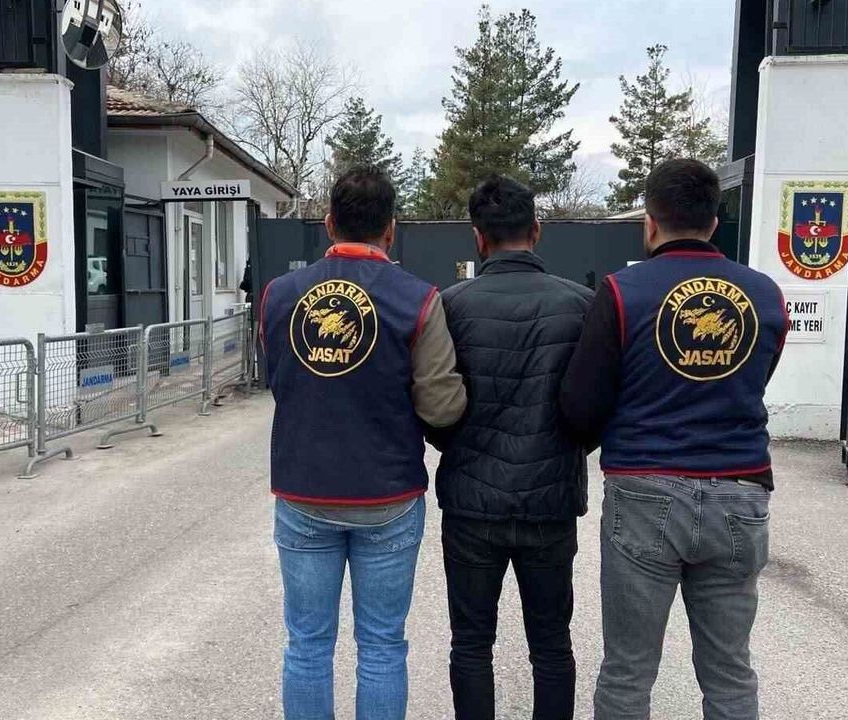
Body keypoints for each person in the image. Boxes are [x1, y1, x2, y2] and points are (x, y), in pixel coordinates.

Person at [560, 159, 788, 720]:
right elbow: (755, 378)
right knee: (730, 673)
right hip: (739, 490)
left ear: (650, 221)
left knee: (628, 671)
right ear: (714, 221)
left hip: (644, 491)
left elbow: (581, 404)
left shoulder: (622, 292)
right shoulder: (765, 295)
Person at [260, 165, 467, 720]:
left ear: (329, 224)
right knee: (381, 645)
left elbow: (278, 377)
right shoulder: (418, 299)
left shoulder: (279, 295)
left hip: (303, 488)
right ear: (390, 230)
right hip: (388, 494)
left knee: (307, 645)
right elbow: (441, 406)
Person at [430, 175, 593, 720]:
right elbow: (595, 406)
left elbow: (435, 404)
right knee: (551, 644)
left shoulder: (450, 306)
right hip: (550, 502)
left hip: (471, 503)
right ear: (536, 230)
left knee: (471, 643)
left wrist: (456, 446)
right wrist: (571, 449)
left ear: (478, 237)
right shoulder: (582, 304)